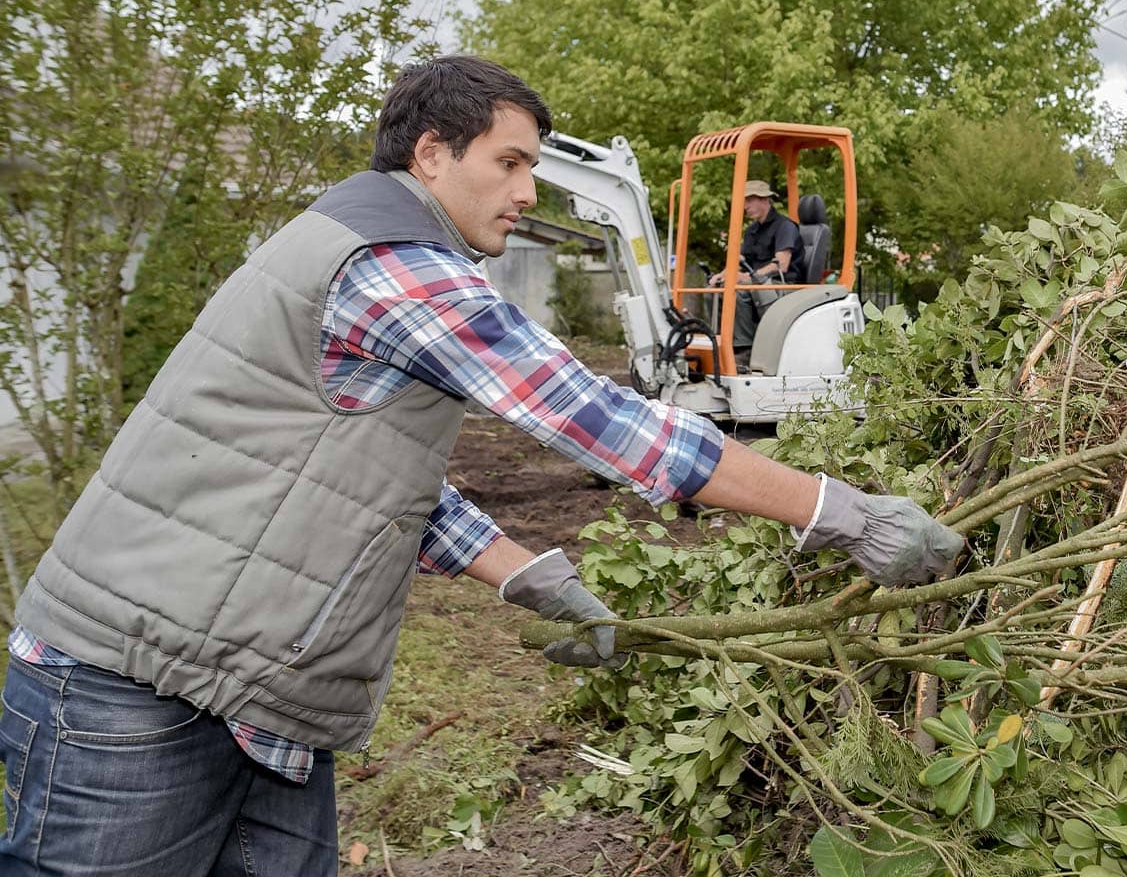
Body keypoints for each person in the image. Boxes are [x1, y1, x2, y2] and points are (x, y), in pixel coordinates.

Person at [0, 56, 962, 875]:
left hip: (245, 695)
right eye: (509, 163)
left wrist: (528, 576)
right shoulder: (393, 261)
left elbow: (365, 470)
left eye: (533, 167)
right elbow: (597, 419)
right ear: (431, 155)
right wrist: (842, 512)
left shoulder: (371, 244)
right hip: (131, 693)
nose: (528, 190)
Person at [729, 180, 805, 363]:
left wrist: (747, 277)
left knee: (740, 292)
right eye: (744, 201)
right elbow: (739, 261)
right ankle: (724, 341)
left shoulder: (785, 226)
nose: (745, 206)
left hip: (783, 283)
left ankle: (744, 349)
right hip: (758, 282)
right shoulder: (752, 230)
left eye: (749, 200)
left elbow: (781, 265)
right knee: (713, 290)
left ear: (765, 200)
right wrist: (723, 274)